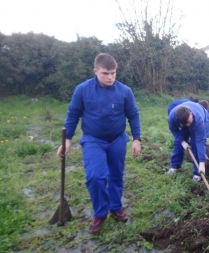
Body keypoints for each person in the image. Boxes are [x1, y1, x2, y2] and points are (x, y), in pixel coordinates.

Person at [57, 53, 141, 234]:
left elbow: (133, 115)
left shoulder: (125, 91)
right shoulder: (83, 90)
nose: (110, 77)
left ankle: (116, 207)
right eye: (105, 73)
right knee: (96, 177)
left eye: (113, 73)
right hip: (93, 140)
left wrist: (136, 139)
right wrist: (67, 140)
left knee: (116, 175)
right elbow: (73, 114)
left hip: (117, 139)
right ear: (96, 71)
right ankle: (100, 213)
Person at [168, 102, 209, 181]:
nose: (188, 125)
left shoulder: (198, 119)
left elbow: (200, 141)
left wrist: (202, 162)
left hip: (200, 115)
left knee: (195, 145)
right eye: (186, 123)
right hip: (183, 123)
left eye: (189, 122)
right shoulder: (172, 117)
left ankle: (197, 173)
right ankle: (175, 166)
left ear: (191, 114)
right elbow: (174, 131)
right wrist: (182, 141)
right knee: (178, 143)